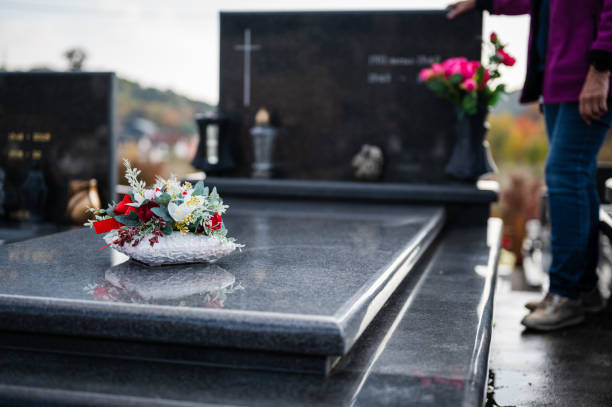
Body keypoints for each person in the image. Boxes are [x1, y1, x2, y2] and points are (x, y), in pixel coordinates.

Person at [448, 0, 611, 331]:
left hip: (587, 75)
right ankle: (584, 289)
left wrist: (601, 68)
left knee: (564, 175)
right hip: (558, 75)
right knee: (577, 177)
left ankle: (565, 295)